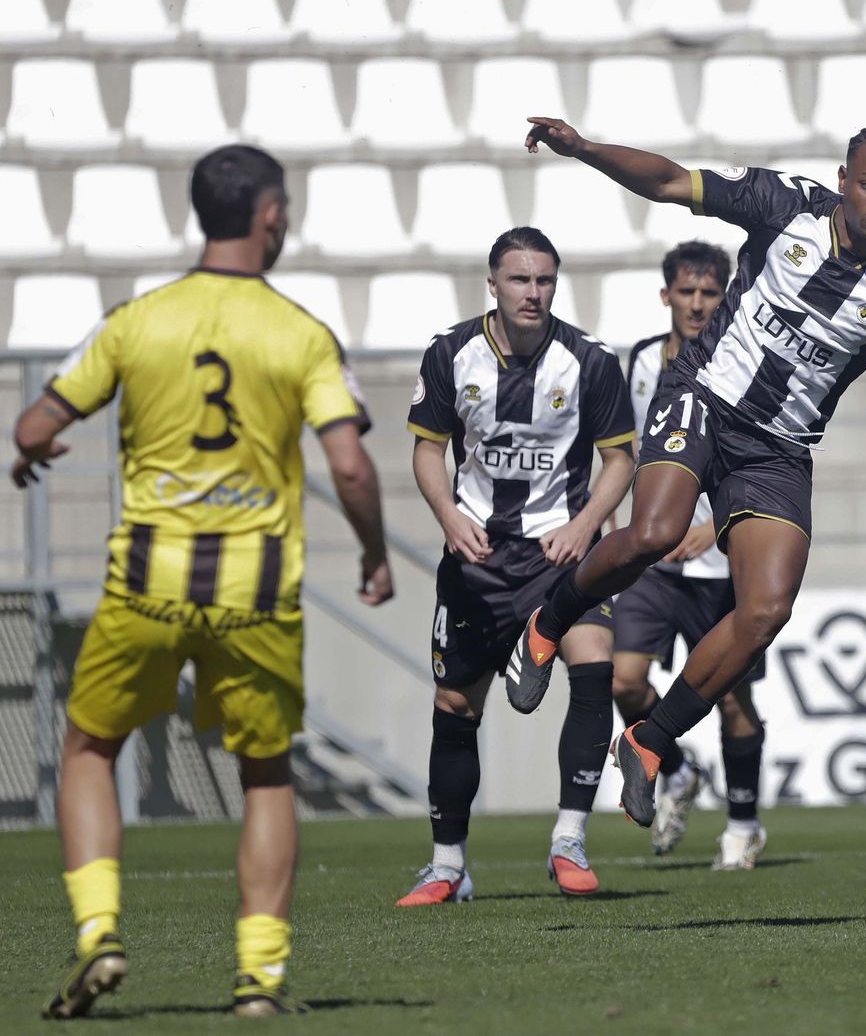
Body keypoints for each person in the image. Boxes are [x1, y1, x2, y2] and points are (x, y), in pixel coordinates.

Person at [510, 118, 866, 830]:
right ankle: (546, 625)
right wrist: (583, 150)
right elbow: (672, 182)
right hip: (703, 396)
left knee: (767, 610)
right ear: (843, 181)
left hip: (778, 448)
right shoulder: (784, 205)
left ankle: (649, 739)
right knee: (655, 532)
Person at [12, 144, 391, 1018]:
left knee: (88, 748)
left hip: (146, 580)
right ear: (269, 218)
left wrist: (35, 450)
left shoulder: (135, 319)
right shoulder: (300, 332)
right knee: (264, 772)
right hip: (255, 591)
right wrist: (374, 553)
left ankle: (100, 933)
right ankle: (258, 977)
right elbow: (353, 468)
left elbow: (37, 420)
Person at [397, 227, 634, 904]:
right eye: (520, 280)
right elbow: (426, 450)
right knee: (454, 706)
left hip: (564, 554)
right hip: (479, 560)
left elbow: (621, 458)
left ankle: (569, 842)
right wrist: (448, 516)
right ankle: (447, 866)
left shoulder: (589, 361)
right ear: (493, 283)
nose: (533, 293)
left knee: (594, 670)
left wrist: (584, 525)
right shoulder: (450, 353)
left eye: (545, 281)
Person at [614, 240, 771, 869]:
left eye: (710, 292)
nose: (698, 303)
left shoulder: (747, 362)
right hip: (654, 563)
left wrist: (715, 529)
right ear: (667, 296)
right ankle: (675, 768)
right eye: (687, 292)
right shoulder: (643, 363)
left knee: (731, 699)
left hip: (717, 563)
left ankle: (743, 822)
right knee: (625, 679)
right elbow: (632, 453)